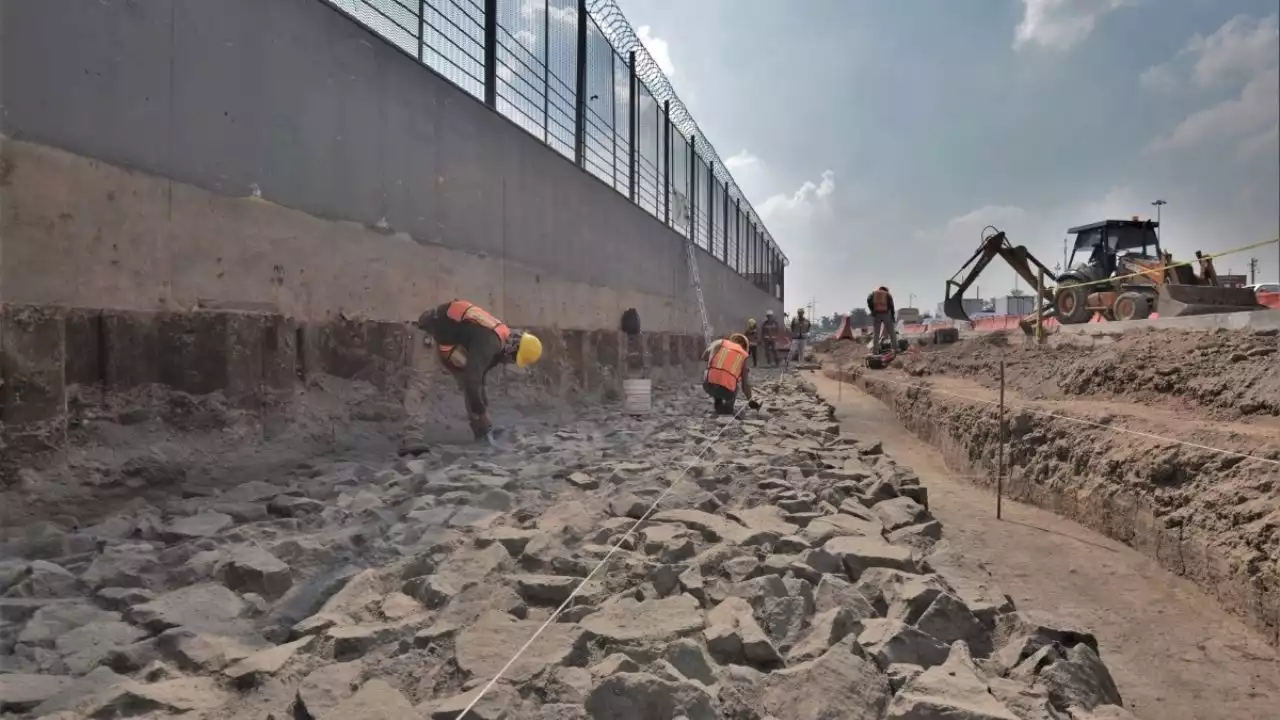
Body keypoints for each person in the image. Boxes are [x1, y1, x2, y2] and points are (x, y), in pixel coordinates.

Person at [416, 300, 543, 444]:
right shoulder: (490, 342)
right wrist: (482, 413)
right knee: (421, 386)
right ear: (513, 350)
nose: (509, 362)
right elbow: (472, 380)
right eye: (514, 359)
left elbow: (479, 378)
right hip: (430, 332)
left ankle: (481, 431)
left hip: (448, 339)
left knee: (472, 385)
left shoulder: (501, 336)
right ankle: (411, 438)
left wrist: (483, 409)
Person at [703, 333, 759, 415]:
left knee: (712, 374)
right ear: (744, 346)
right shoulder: (743, 355)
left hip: (708, 385)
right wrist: (750, 400)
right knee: (734, 385)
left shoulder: (720, 342)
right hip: (726, 390)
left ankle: (718, 403)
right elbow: (745, 385)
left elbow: (704, 357)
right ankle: (728, 409)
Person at [867, 286, 898, 353]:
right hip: (886, 314)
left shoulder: (873, 294)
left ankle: (875, 351)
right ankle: (895, 349)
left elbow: (868, 300)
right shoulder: (887, 294)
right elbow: (891, 306)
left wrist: (872, 310)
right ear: (886, 290)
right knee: (892, 332)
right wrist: (892, 317)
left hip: (876, 314)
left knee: (876, 333)